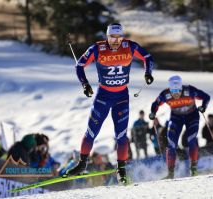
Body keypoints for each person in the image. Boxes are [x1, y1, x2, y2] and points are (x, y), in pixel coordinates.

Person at [66, 23, 154, 184]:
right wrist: (85, 84)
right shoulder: (97, 49)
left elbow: (147, 57)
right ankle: (82, 164)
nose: (116, 40)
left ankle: (121, 170)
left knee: (121, 136)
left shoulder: (130, 46)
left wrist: (148, 72)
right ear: (107, 37)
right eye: (113, 37)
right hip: (103, 97)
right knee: (91, 132)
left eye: (119, 37)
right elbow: (79, 65)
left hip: (121, 97)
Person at [149, 75, 210, 178]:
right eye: (173, 92)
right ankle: (170, 174)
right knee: (171, 144)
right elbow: (155, 104)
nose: (175, 94)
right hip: (176, 118)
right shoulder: (166, 94)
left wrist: (203, 106)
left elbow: (206, 96)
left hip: (192, 117)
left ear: (181, 89)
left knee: (191, 140)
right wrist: (153, 112)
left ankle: (193, 169)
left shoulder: (189, 90)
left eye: (177, 91)